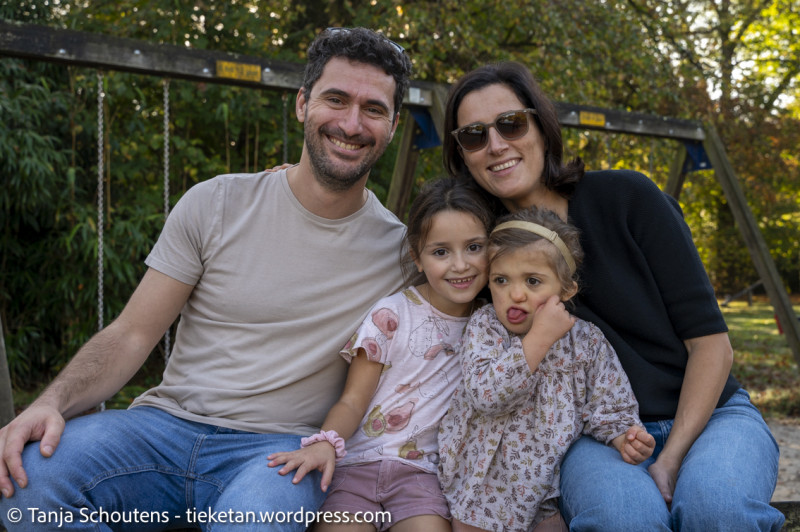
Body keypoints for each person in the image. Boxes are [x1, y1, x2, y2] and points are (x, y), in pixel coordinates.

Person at [0, 27, 412, 531]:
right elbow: (132, 334)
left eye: (373, 109)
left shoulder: (404, 253)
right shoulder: (216, 202)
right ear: (303, 103)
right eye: (336, 99)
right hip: (163, 429)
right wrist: (49, 402)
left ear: (394, 125)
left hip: (280, 451)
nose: (351, 123)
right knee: (28, 483)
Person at [442, 61, 784, 531]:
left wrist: (671, 458)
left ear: (541, 127)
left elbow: (712, 346)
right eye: (474, 135)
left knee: (717, 508)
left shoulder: (628, 198)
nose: (496, 144)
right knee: (624, 519)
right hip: (595, 434)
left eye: (511, 123)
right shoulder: (484, 253)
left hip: (712, 416)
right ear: (462, 154)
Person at [267, 177, 494, 532]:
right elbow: (352, 401)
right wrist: (325, 443)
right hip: (355, 467)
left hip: (421, 476)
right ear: (417, 257)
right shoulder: (390, 315)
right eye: (441, 252)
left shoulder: (491, 327)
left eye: (474, 247)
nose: (461, 265)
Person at [438, 206, 655, 532]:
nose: (515, 294)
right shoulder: (486, 327)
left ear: (566, 290)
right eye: (501, 280)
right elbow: (487, 396)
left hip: (543, 491)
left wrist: (625, 437)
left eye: (533, 281)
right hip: (479, 489)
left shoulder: (586, 341)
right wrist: (538, 338)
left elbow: (609, 403)